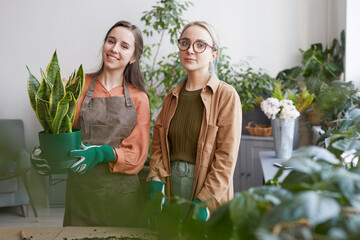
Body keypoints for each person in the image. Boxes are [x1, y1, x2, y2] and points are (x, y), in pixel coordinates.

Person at [31, 20, 150, 227]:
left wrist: (101, 153)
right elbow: (60, 133)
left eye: (124, 46)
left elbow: (137, 156)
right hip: (82, 197)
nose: (114, 49)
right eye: (111, 41)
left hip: (124, 199)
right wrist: (46, 155)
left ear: (133, 57)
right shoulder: (77, 85)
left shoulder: (139, 98)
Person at [146, 21, 242, 221]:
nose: (190, 50)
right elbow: (158, 146)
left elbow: (226, 158)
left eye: (200, 45)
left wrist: (203, 201)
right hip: (172, 189)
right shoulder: (171, 97)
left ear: (213, 54)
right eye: (185, 43)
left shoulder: (226, 95)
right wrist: (155, 181)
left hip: (207, 193)